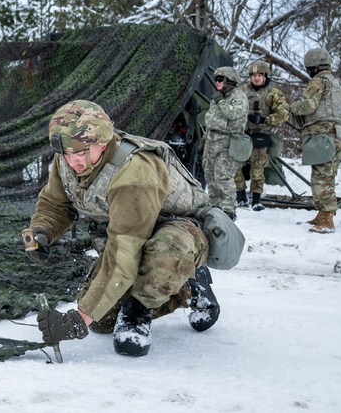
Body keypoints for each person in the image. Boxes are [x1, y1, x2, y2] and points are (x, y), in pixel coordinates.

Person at [24, 100, 219, 358]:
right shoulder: (68, 159)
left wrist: (78, 319)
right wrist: (40, 233)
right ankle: (173, 287)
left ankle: (151, 302)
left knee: (166, 253)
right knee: (102, 321)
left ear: (103, 143)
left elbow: (122, 257)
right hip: (128, 234)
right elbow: (55, 203)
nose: (74, 161)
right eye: (67, 154)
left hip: (179, 234)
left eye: (81, 152)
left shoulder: (133, 172)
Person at [289, 48, 341, 233]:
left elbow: (308, 106)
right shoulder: (337, 83)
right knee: (328, 175)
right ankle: (323, 214)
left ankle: (327, 219)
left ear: (312, 66)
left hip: (323, 134)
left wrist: (293, 107)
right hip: (338, 134)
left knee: (321, 177)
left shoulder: (318, 81)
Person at [234, 61, 290, 211]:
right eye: (253, 75)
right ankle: (240, 197)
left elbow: (284, 113)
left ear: (265, 76)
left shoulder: (273, 93)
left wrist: (265, 120)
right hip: (242, 135)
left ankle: (256, 200)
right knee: (236, 166)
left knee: (257, 169)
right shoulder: (242, 91)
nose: (256, 78)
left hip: (260, 135)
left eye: (259, 75)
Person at [202, 66, 249, 219]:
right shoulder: (217, 98)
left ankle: (229, 210)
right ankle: (214, 207)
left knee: (223, 177)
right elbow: (210, 119)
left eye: (220, 79)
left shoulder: (238, 97)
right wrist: (204, 140)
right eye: (216, 79)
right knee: (210, 176)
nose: (217, 82)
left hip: (227, 142)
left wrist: (220, 101)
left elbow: (233, 113)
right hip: (211, 140)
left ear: (230, 81)